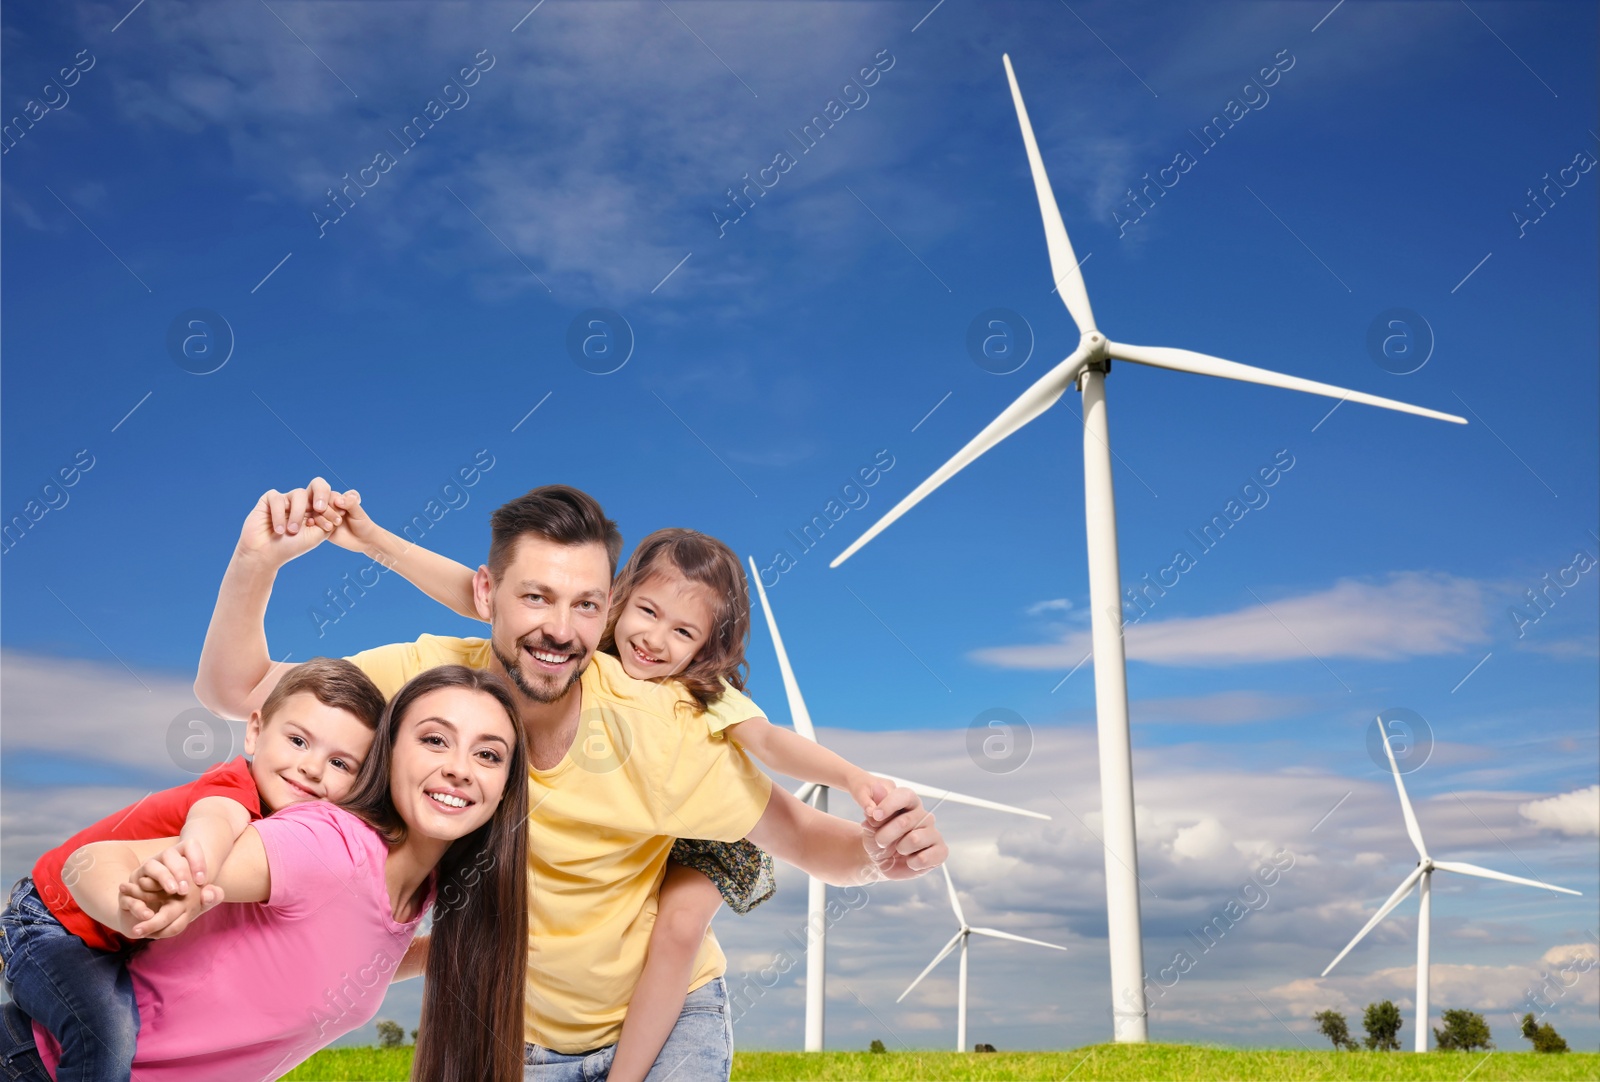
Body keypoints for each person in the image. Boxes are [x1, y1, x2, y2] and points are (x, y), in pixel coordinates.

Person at [192, 480, 948, 1081]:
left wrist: (886, 850)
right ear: (489, 596)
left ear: (604, 613)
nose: (560, 629)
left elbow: (814, 843)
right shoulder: (430, 684)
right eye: (536, 598)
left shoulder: (663, 730)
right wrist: (255, 564)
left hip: (668, 1023)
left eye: (585, 604)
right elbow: (241, 689)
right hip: (513, 1035)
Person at [1, 664, 530, 1082]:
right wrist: (160, 892)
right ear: (387, 758)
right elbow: (95, 861)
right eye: (435, 739)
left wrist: (465, 948)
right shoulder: (324, 844)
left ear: (505, 785)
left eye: (488, 754)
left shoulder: (424, 892)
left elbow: (339, 954)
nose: (460, 767)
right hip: (38, 1064)